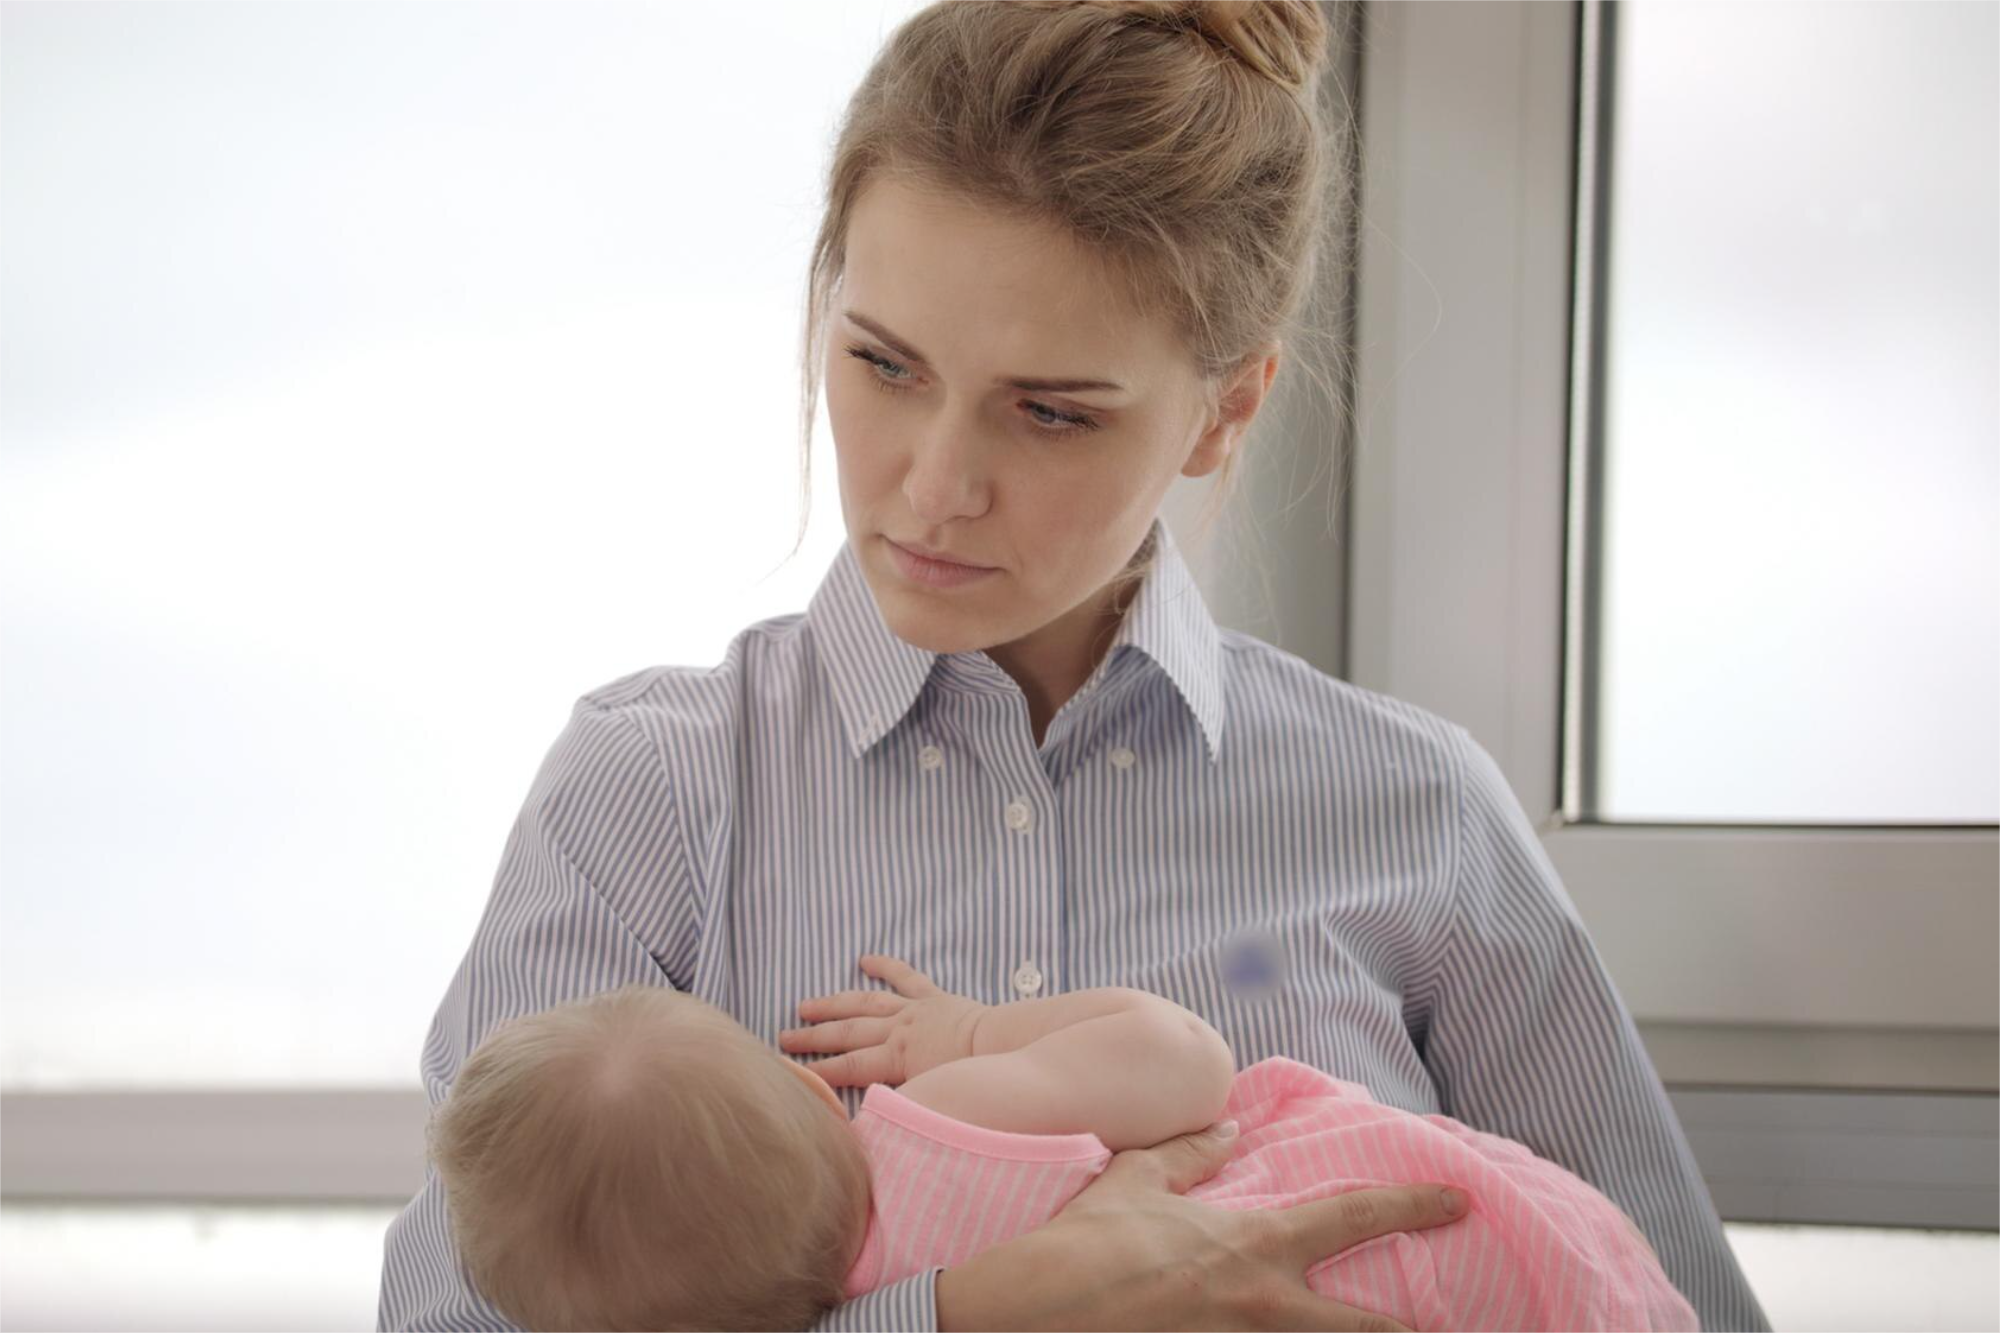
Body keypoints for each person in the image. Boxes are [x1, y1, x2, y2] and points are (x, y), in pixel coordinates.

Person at [378, 1, 1775, 1328]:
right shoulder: (649, 795)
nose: (933, 488)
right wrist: (970, 1318)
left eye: (1049, 412)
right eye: (883, 363)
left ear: (1226, 412)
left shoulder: (1418, 812)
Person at [423, 955, 1699, 1332]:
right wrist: (967, 1030)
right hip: (1463, 1238)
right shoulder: (936, 1124)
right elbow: (1183, 1062)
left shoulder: (862, 1299)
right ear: (819, 1098)